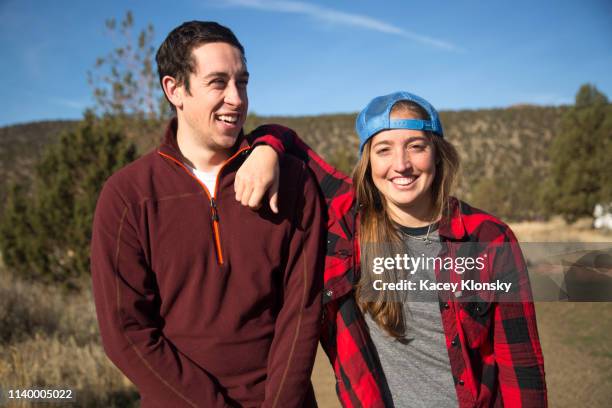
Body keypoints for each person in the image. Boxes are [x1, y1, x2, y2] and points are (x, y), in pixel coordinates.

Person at [238, 91, 547, 407]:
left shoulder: (489, 238)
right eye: (384, 150)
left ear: (437, 154)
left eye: (416, 146)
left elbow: (522, 369)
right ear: (368, 162)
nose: (402, 165)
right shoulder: (347, 225)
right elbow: (279, 135)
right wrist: (265, 151)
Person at [90, 21, 324, 408]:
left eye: (242, 82)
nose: (237, 98)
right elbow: (127, 332)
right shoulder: (128, 196)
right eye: (218, 82)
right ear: (174, 89)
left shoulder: (293, 182)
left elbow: (301, 313)